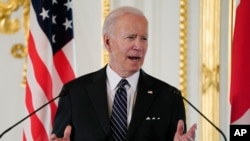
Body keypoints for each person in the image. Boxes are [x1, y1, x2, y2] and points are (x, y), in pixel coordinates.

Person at [51, 6, 196, 141]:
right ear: (108, 42)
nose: (139, 46)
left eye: (144, 38)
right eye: (131, 37)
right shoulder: (74, 93)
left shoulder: (169, 97)